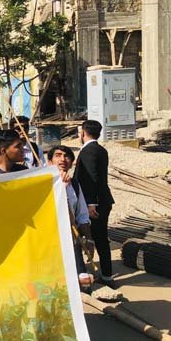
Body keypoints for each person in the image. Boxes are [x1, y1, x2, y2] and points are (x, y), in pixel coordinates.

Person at [74, 120, 115, 287]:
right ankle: (105, 275)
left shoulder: (88, 152)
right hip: (102, 200)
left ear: (83, 133)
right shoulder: (100, 149)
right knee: (100, 239)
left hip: (94, 204)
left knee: (97, 239)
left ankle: (104, 277)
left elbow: (91, 178)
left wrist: (91, 204)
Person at [48, 145, 92, 276]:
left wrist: (89, 239)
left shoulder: (75, 185)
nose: (63, 159)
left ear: (72, 163)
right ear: (49, 162)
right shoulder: (42, 184)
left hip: (71, 239)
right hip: (49, 242)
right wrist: (60, 188)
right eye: (58, 155)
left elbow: (82, 215)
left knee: (80, 278)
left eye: (66, 156)